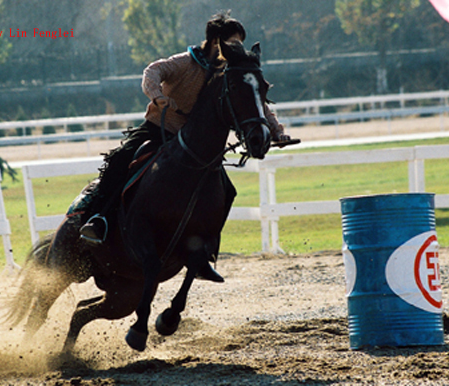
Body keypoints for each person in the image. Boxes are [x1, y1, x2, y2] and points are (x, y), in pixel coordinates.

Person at [79, 11, 291, 282]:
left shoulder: (228, 73)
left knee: (227, 191)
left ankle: (202, 257)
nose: (236, 50)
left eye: (239, 45)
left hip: (195, 147)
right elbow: (151, 71)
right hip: (157, 131)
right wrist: (157, 96)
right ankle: (98, 221)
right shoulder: (184, 62)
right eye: (232, 44)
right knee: (120, 162)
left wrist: (277, 131)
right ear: (216, 42)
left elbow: (255, 102)